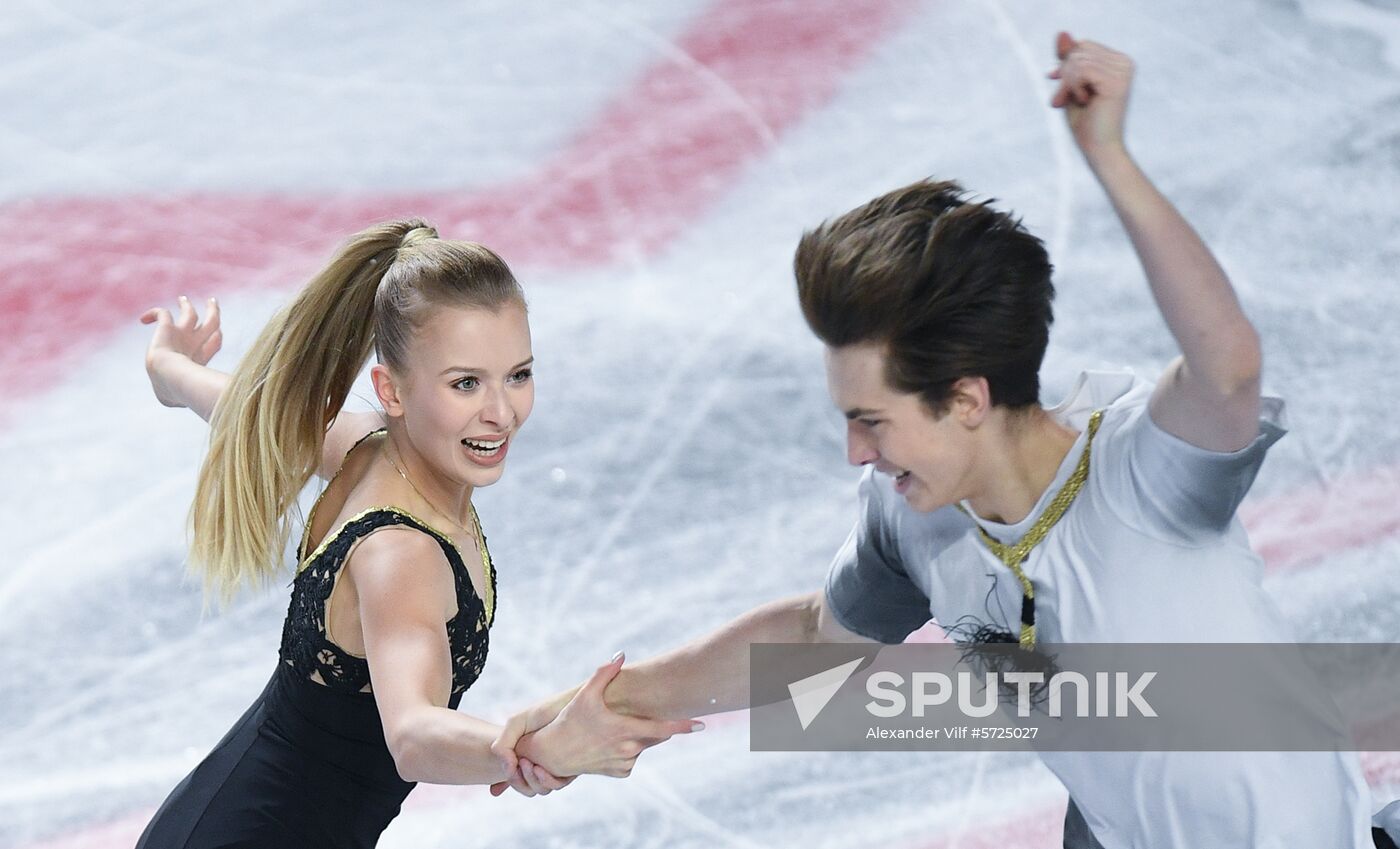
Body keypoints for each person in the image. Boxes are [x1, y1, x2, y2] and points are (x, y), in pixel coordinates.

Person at [493, 33, 1398, 847]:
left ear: (966, 398)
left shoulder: (1144, 477)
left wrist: (1111, 159)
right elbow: (814, 637)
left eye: (873, 419)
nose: (856, 452)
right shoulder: (914, 520)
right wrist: (595, 706)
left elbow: (1228, 369)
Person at [133, 220, 700, 848]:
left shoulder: (367, 448)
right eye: (465, 383)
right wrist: (529, 748)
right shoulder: (401, 551)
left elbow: (247, 410)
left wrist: (169, 368)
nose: (501, 412)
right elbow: (411, 733)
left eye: (517, 375)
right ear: (391, 391)